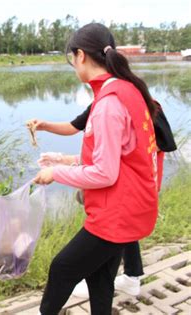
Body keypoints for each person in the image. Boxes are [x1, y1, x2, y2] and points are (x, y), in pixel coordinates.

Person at [33, 23, 161, 315]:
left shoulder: (108, 103)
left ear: (80, 56)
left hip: (116, 214)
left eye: (71, 59)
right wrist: (65, 160)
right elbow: (118, 158)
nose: (73, 66)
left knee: (62, 268)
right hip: (131, 207)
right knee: (100, 278)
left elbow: (105, 173)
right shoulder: (126, 90)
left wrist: (55, 174)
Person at [27, 101, 176, 298]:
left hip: (131, 188)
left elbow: (115, 160)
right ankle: (131, 277)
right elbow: (76, 127)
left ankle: (116, 279)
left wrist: (60, 169)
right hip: (129, 187)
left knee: (69, 262)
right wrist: (48, 132)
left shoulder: (129, 104)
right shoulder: (107, 99)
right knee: (124, 230)